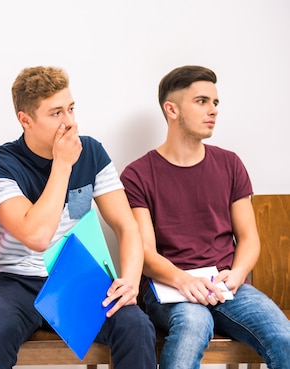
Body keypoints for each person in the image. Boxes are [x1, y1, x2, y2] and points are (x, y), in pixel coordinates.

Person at [0, 65, 156, 369]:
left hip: (75, 274)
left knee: (135, 325)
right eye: (56, 113)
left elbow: (126, 226)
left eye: (71, 109)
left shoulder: (92, 152)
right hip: (11, 280)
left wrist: (131, 282)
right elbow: (37, 236)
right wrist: (62, 165)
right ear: (25, 120)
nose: (70, 122)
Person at [120, 65, 290, 369]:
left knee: (283, 337)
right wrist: (183, 280)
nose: (212, 110)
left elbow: (249, 238)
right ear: (171, 109)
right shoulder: (138, 174)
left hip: (227, 285)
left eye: (215, 102)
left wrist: (237, 275)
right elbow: (144, 252)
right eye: (201, 101)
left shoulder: (230, 164)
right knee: (193, 326)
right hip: (169, 287)